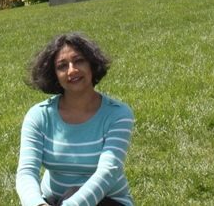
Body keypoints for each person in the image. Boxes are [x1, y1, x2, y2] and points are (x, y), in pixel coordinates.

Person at [16, 33, 135, 206]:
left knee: (73, 193)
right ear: (54, 74)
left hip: (107, 201)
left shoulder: (118, 114)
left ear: (92, 65)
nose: (72, 70)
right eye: (62, 66)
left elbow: (108, 173)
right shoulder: (38, 116)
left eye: (79, 61)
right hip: (52, 202)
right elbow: (26, 172)